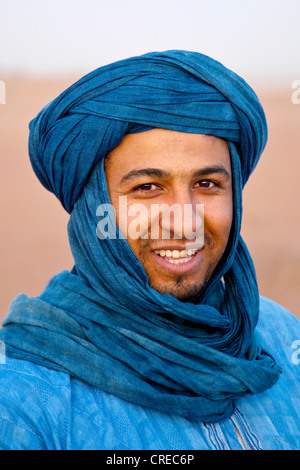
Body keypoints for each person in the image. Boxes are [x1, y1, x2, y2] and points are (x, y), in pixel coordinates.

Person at [0, 50, 299, 451]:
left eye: (207, 184)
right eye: (147, 188)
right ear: (95, 205)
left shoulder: (282, 337)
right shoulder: (25, 396)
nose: (184, 221)